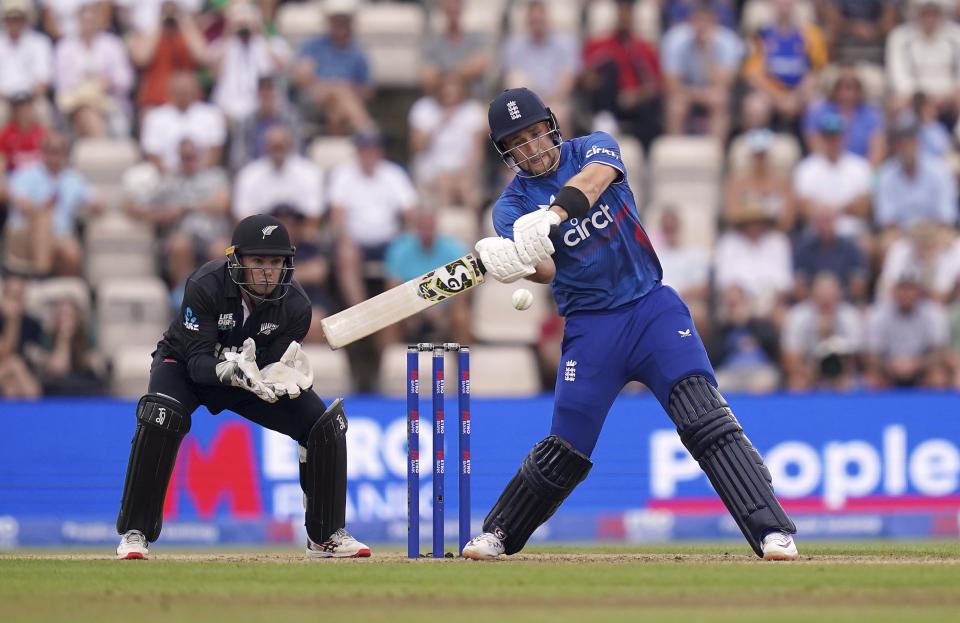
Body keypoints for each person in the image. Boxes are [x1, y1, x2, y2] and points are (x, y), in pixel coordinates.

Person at [463, 87, 798, 561]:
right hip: (590, 329)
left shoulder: (594, 147)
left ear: (552, 126)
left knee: (704, 417)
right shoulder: (510, 208)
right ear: (506, 151)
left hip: (651, 309)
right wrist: (513, 260)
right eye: (519, 142)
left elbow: (597, 180)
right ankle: (498, 533)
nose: (533, 149)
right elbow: (546, 271)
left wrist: (554, 215)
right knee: (566, 447)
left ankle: (771, 532)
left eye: (537, 134)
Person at [115, 214, 369, 560]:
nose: (268, 271)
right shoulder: (205, 284)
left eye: (276, 262)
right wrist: (230, 369)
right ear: (237, 260)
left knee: (324, 425)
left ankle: (324, 536)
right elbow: (197, 362)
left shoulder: (296, 307)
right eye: (258, 261)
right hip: (187, 369)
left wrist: (279, 375)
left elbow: (273, 364)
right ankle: (136, 532)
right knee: (161, 414)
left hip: (249, 380)